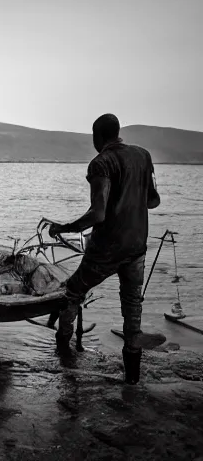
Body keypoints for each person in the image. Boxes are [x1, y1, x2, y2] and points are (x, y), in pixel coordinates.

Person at [47, 113, 164, 384]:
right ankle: (132, 380)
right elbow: (153, 202)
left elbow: (97, 214)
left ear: (97, 137)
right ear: (118, 132)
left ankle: (63, 355)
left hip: (107, 249)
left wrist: (63, 227)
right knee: (132, 310)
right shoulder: (143, 156)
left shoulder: (101, 163)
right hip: (137, 247)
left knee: (72, 291)